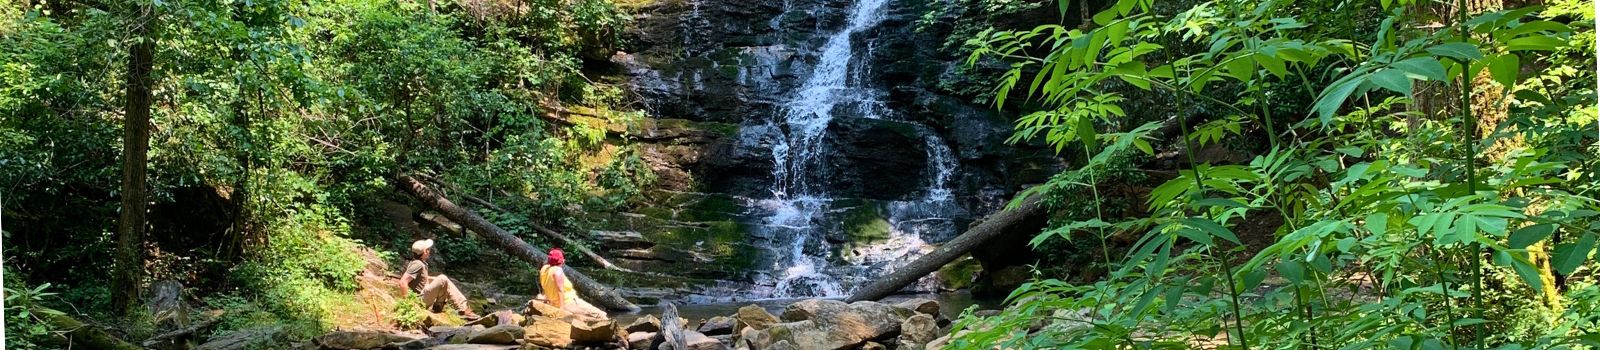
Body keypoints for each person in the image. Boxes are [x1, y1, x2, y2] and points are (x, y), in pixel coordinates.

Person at [399, 239, 479, 319]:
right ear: (425, 252)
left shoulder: (419, 262)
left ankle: (438, 308)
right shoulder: (417, 264)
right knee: (442, 278)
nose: (429, 251)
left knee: (443, 280)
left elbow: (421, 278)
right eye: (428, 249)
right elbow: (403, 282)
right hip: (419, 300)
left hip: (423, 297)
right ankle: (464, 309)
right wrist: (409, 303)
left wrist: (435, 280)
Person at [538, 248, 607, 321]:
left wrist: (546, 298)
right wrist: (561, 309)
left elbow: (546, 287)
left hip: (555, 302)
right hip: (568, 302)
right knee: (601, 315)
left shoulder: (544, 269)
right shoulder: (557, 270)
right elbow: (560, 290)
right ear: (561, 260)